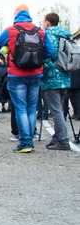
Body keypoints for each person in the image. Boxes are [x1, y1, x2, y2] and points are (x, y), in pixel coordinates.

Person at [0, 4, 54, 153]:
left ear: (16, 16)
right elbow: (50, 52)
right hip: (35, 74)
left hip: (16, 74)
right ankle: (31, 136)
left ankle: (25, 142)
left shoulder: (11, 30)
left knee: (20, 108)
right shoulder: (40, 31)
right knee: (31, 108)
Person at [40, 12, 72, 150]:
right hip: (65, 76)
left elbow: (49, 56)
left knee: (56, 110)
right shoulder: (65, 36)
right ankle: (58, 137)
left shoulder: (49, 35)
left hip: (52, 78)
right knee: (60, 109)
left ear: (48, 23)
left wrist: (43, 72)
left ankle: (63, 140)